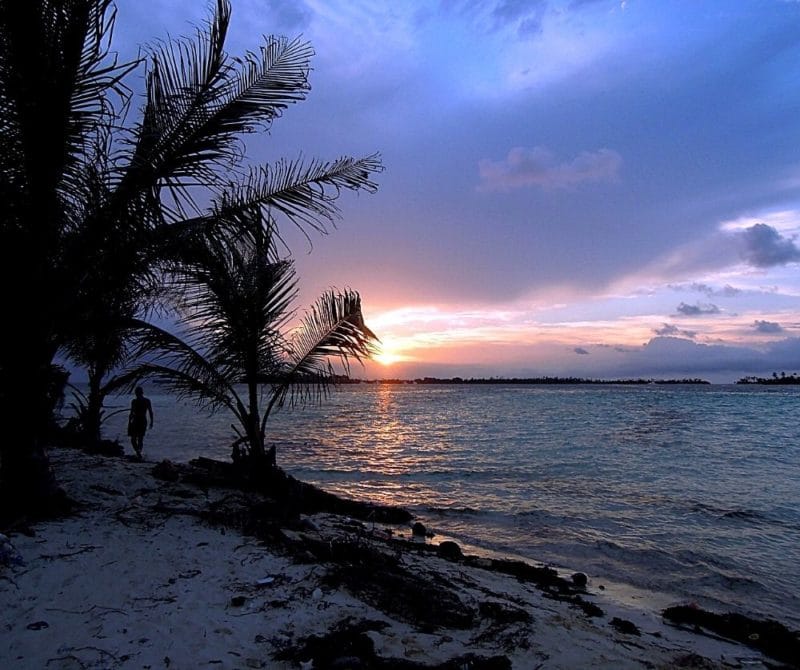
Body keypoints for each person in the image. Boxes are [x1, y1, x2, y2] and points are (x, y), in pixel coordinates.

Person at [128, 386, 154, 460]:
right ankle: (138, 452)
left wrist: (151, 422)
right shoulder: (135, 401)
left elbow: (150, 411)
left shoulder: (146, 401)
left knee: (138, 438)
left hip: (140, 420)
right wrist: (129, 421)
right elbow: (131, 412)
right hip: (138, 420)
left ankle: (138, 452)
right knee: (136, 438)